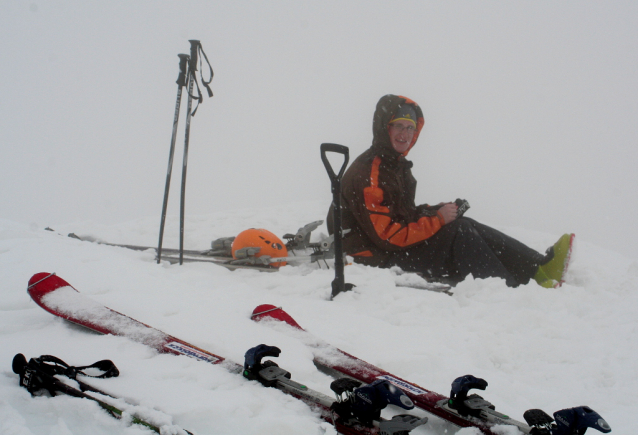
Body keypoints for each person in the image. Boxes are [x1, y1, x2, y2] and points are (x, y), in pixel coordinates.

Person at [326, 94, 572, 288]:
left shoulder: (393, 165)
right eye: (398, 126)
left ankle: (537, 268)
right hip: (372, 256)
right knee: (459, 232)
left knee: (463, 223)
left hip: (385, 247)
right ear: (384, 128)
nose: (405, 134)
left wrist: (440, 212)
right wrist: (437, 220)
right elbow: (388, 236)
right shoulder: (370, 172)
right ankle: (511, 288)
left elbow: (403, 214)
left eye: (410, 128)